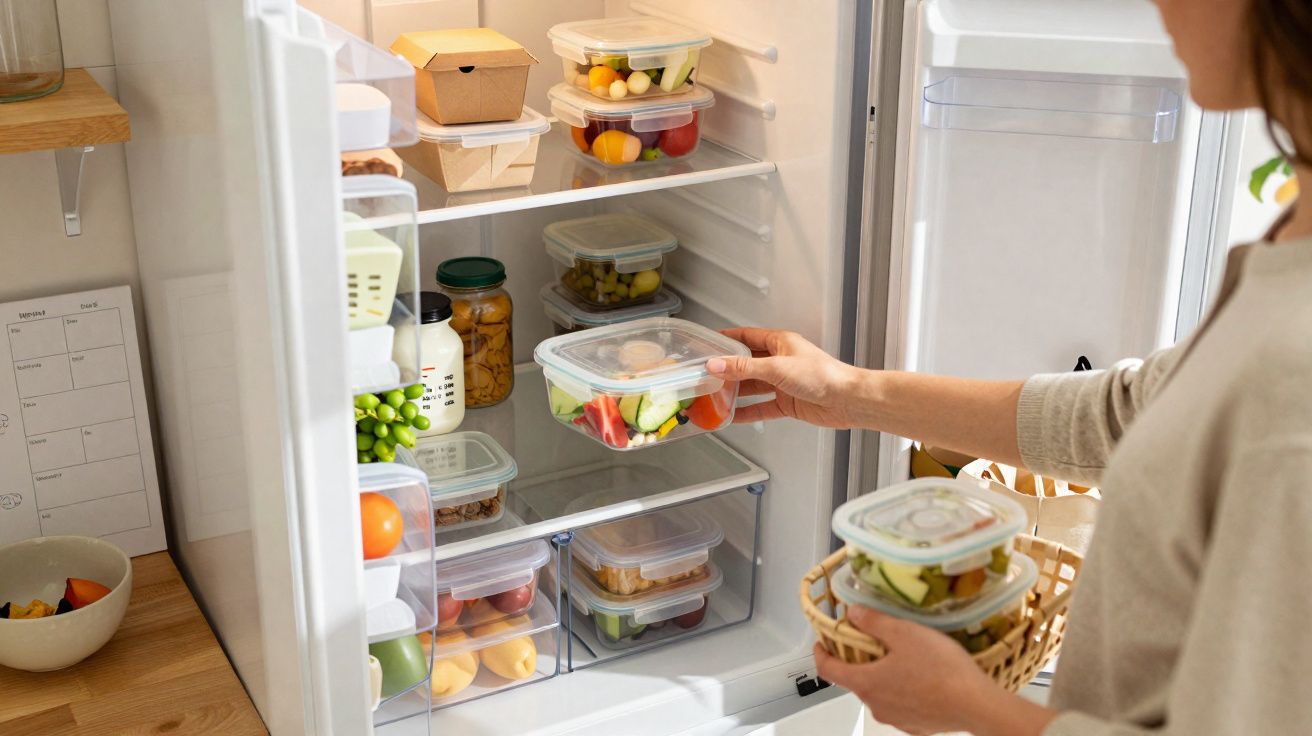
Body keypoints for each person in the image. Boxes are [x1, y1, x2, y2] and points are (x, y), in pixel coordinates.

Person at [705, 1, 1312, 733]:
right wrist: (847, 393)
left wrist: (971, 709)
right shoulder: (1290, 243)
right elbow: (1126, 414)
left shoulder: (1294, 377)